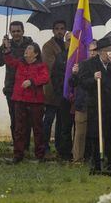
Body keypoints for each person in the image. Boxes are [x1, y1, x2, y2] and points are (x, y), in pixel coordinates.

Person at [79, 37, 111, 175]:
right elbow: (82, 83)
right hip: (98, 107)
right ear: (100, 52)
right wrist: (93, 79)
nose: (110, 53)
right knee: (97, 135)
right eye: (107, 50)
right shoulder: (89, 64)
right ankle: (96, 164)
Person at [3, 40, 49, 163]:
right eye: (26, 49)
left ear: (36, 54)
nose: (26, 51)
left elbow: (45, 78)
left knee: (37, 128)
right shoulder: (20, 63)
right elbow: (9, 62)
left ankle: (40, 154)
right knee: (19, 128)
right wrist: (7, 50)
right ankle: (18, 154)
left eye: (29, 49)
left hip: (35, 101)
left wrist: (32, 82)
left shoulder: (41, 65)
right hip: (19, 100)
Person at [0, 21, 33, 146]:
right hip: (11, 87)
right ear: (10, 32)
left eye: (18, 31)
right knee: (14, 118)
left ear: (23, 31)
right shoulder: (6, 45)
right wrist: (4, 48)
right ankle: (17, 145)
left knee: (26, 118)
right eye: (13, 31)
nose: (16, 33)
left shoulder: (31, 45)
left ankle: (25, 145)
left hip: (27, 86)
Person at [42, 20, 67, 154]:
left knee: (61, 120)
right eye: (57, 28)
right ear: (53, 30)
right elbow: (50, 66)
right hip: (52, 88)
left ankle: (59, 146)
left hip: (64, 88)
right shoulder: (48, 46)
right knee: (49, 119)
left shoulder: (66, 45)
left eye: (62, 29)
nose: (59, 31)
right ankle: (44, 145)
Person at [72, 40, 97, 163]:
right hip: (82, 103)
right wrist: (74, 74)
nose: (92, 53)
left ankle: (94, 157)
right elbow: (73, 83)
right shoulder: (82, 65)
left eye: (95, 50)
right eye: (90, 50)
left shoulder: (102, 66)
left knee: (95, 133)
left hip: (96, 104)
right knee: (80, 134)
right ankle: (77, 159)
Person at [51, 32, 74, 161]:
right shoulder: (60, 57)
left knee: (80, 126)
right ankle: (65, 153)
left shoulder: (82, 56)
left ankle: (79, 152)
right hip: (64, 96)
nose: (71, 43)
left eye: (74, 40)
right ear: (66, 42)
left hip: (80, 97)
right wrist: (62, 90)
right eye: (69, 40)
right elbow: (54, 76)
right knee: (65, 126)